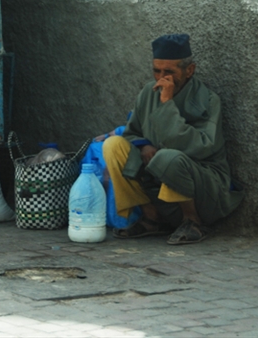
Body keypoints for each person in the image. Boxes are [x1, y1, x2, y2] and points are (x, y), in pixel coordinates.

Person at [102, 33, 243, 244]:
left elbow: (202, 146)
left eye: (169, 71)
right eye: (156, 70)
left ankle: (193, 221)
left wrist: (167, 105)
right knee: (113, 146)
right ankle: (152, 218)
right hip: (157, 178)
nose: (162, 78)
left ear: (190, 70)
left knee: (167, 158)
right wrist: (144, 146)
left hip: (204, 186)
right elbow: (132, 133)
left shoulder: (209, 100)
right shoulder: (147, 94)